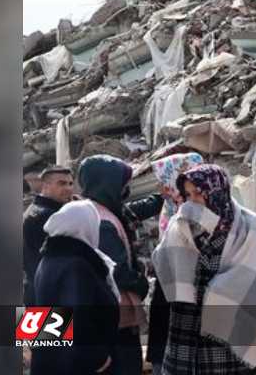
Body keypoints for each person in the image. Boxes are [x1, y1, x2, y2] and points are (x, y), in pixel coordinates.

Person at [155, 164, 256, 374]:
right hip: (186, 323)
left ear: (216, 190)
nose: (192, 200)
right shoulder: (180, 224)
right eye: (187, 195)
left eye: (198, 193)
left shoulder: (247, 224)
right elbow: (164, 262)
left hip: (228, 325)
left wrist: (216, 292)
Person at [80, 154, 161, 375]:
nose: (125, 188)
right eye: (121, 184)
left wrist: (162, 197)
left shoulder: (93, 211)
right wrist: (141, 284)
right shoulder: (101, 222)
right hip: (112, 321)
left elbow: (131, 211)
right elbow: (117, 271)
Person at [31, 200, 119, 375]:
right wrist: (98, 358)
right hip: (79, 365)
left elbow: (38, 315)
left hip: (54, 360)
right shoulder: (76, 264)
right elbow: (78, 318)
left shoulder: (47, 259)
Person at [147, 153, 204, 375]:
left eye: (164, 180)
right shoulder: (173, 209)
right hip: (172, 296)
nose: (161, 187)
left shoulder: (196, 213)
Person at [23, 166, 74, 305]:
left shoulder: (35, 210)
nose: (69, 188)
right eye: (61, 183)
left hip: (36, 293)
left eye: (70, 183)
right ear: (45, 185)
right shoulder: (49, 216)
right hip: (51, 297)